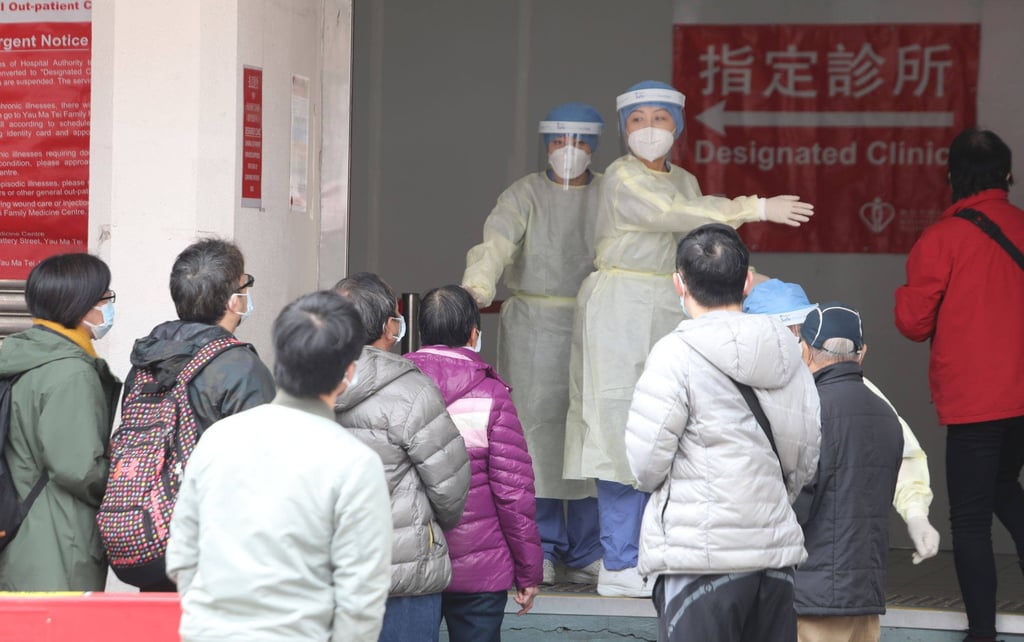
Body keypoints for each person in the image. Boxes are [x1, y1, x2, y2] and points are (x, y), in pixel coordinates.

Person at [563, 79, 814, 597]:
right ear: (621, 130)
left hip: (671, 304)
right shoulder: (619, 180)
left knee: (671, 420)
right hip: (619, 308)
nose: (648, 130)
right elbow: (671, 217)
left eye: (659, 119)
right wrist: (755, 207)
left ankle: (651, 550)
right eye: (636, 120)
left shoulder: (687, 180)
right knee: (618, 425)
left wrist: (753, 280)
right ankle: (619, 560)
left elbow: (700, 241)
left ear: (676, 128)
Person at [625, 223, 820, 640]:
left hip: (699, 563)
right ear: (747, 280)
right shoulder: (789, 352)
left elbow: (644, 467)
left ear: (679, 284)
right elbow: (805, 457)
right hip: (774, 560)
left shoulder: (672, 355)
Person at [166, 291, 392, 641]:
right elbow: (361, 598)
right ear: (348, 373)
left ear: (279, 359)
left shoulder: (218, 439)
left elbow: (181, 556)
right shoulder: (355, 463)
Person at [462, 102, 603, 585]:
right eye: (559, 141)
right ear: (546, 144)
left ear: (595, 146)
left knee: (589, 431)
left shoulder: (612, 193)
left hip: (595, 319)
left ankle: (586, 548)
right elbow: (496, 243)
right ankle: (538, 545)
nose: (569, 150)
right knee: (534, 437)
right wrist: (478, 285)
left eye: (580, 142)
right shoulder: (524, 194)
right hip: (534, 328)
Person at [895, 128, 1024, 642]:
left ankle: (982, 633)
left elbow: (913, 323)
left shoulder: (942, 239)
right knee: (1001, 487)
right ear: (1008, 176)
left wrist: (907, 291)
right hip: (1021, 398)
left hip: (975, 401)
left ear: (950, 177)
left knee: (969, 518)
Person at [744, 278, 941, 564]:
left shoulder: (838, 388)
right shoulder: (736, 385)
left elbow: (897, 448)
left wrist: (916, 513)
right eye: (783, 330)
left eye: (799, 330)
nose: (793, 340)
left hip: (811, 563)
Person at [122, 237, 275, 591]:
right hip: (217, 552)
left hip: (153, 533)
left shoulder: (148, 361)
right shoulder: (240, 367)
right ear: (232, 300)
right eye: (244, 284)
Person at [333, 272, 471, 642]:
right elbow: (451, 488)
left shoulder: (300, 387)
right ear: (387, 326)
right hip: (405, 578)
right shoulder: (412, 390)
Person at [406, 284, 544, 641]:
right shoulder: (491, 394)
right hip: (481, 571)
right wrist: (529, 572)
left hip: (412, 562)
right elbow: (513, 494)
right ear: (473, 333)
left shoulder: (398, 386)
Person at [0, 253, 121, 590]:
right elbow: (77, 469)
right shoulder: (71, 372)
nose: (109, 306)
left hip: (18, 537)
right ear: (81, 306)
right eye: (105, 298)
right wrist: (125, 474)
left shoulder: (20, 358)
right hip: (57, 544)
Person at [792, 303, 904, 642]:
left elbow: (796, 508)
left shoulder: (811, 410)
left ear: (805, 350)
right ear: (862, 353)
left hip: (814, 598)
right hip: (866, 597)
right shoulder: (888, 416)